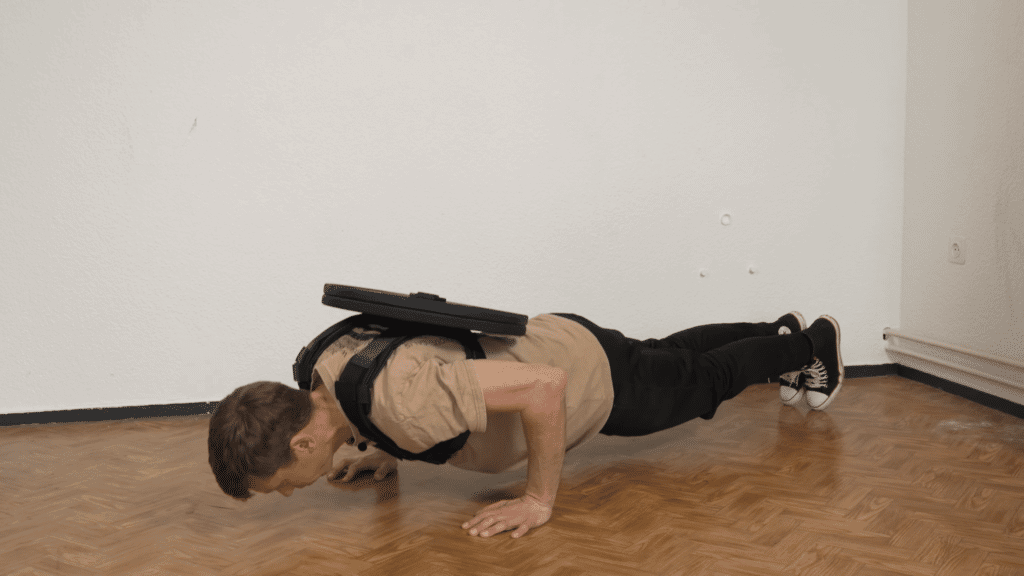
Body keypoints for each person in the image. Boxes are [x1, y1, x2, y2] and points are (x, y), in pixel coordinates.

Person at [207, 310, 843, 539]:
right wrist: (388, 453)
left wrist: (539, 499)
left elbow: (547, 389)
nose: (294, 491)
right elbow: (403, 361)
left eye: (283, 483)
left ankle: (811, 343)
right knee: (670, 357)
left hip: (585, 379)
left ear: (302, 440)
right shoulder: (322, 372)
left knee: (699, 384)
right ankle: (775, 330)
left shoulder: (401, 404)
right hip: (556, 336)